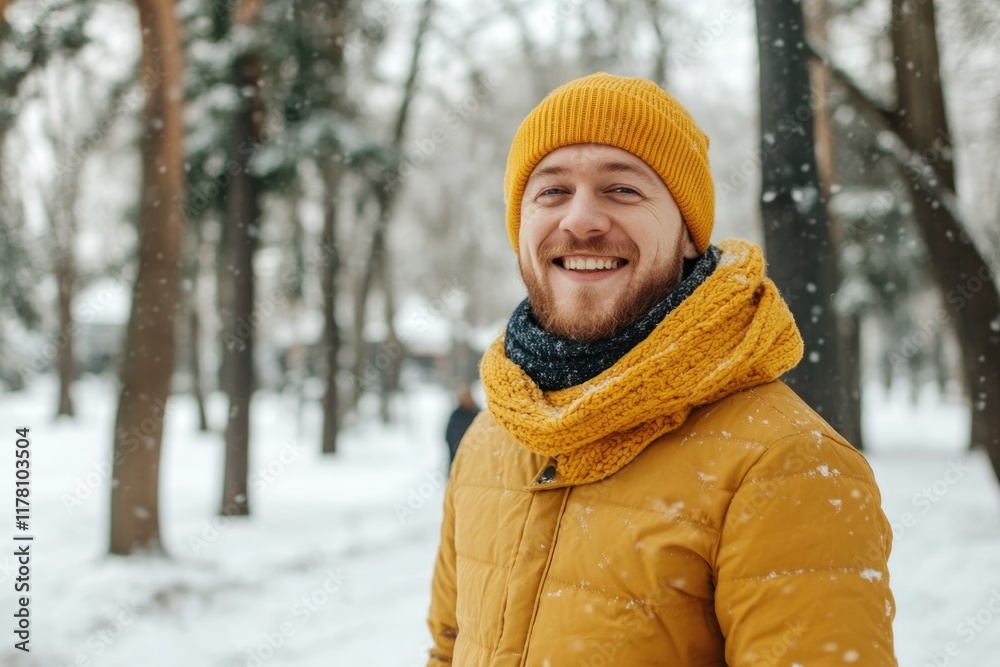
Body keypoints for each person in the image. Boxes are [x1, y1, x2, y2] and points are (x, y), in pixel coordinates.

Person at [425, 73, 896, 666]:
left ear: (688, 236)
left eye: (622, 189)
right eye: (551, 192)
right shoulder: (492, 437)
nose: (581, 221)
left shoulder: (788, 465)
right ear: (520, 226)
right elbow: (448, 649)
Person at [444, 386, 480, 474]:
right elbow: (450, 436)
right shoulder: (456, 416)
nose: (467, 399)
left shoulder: (478, 413)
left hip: (479, 458)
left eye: (468, 396)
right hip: (460, 458)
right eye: (464, 396)